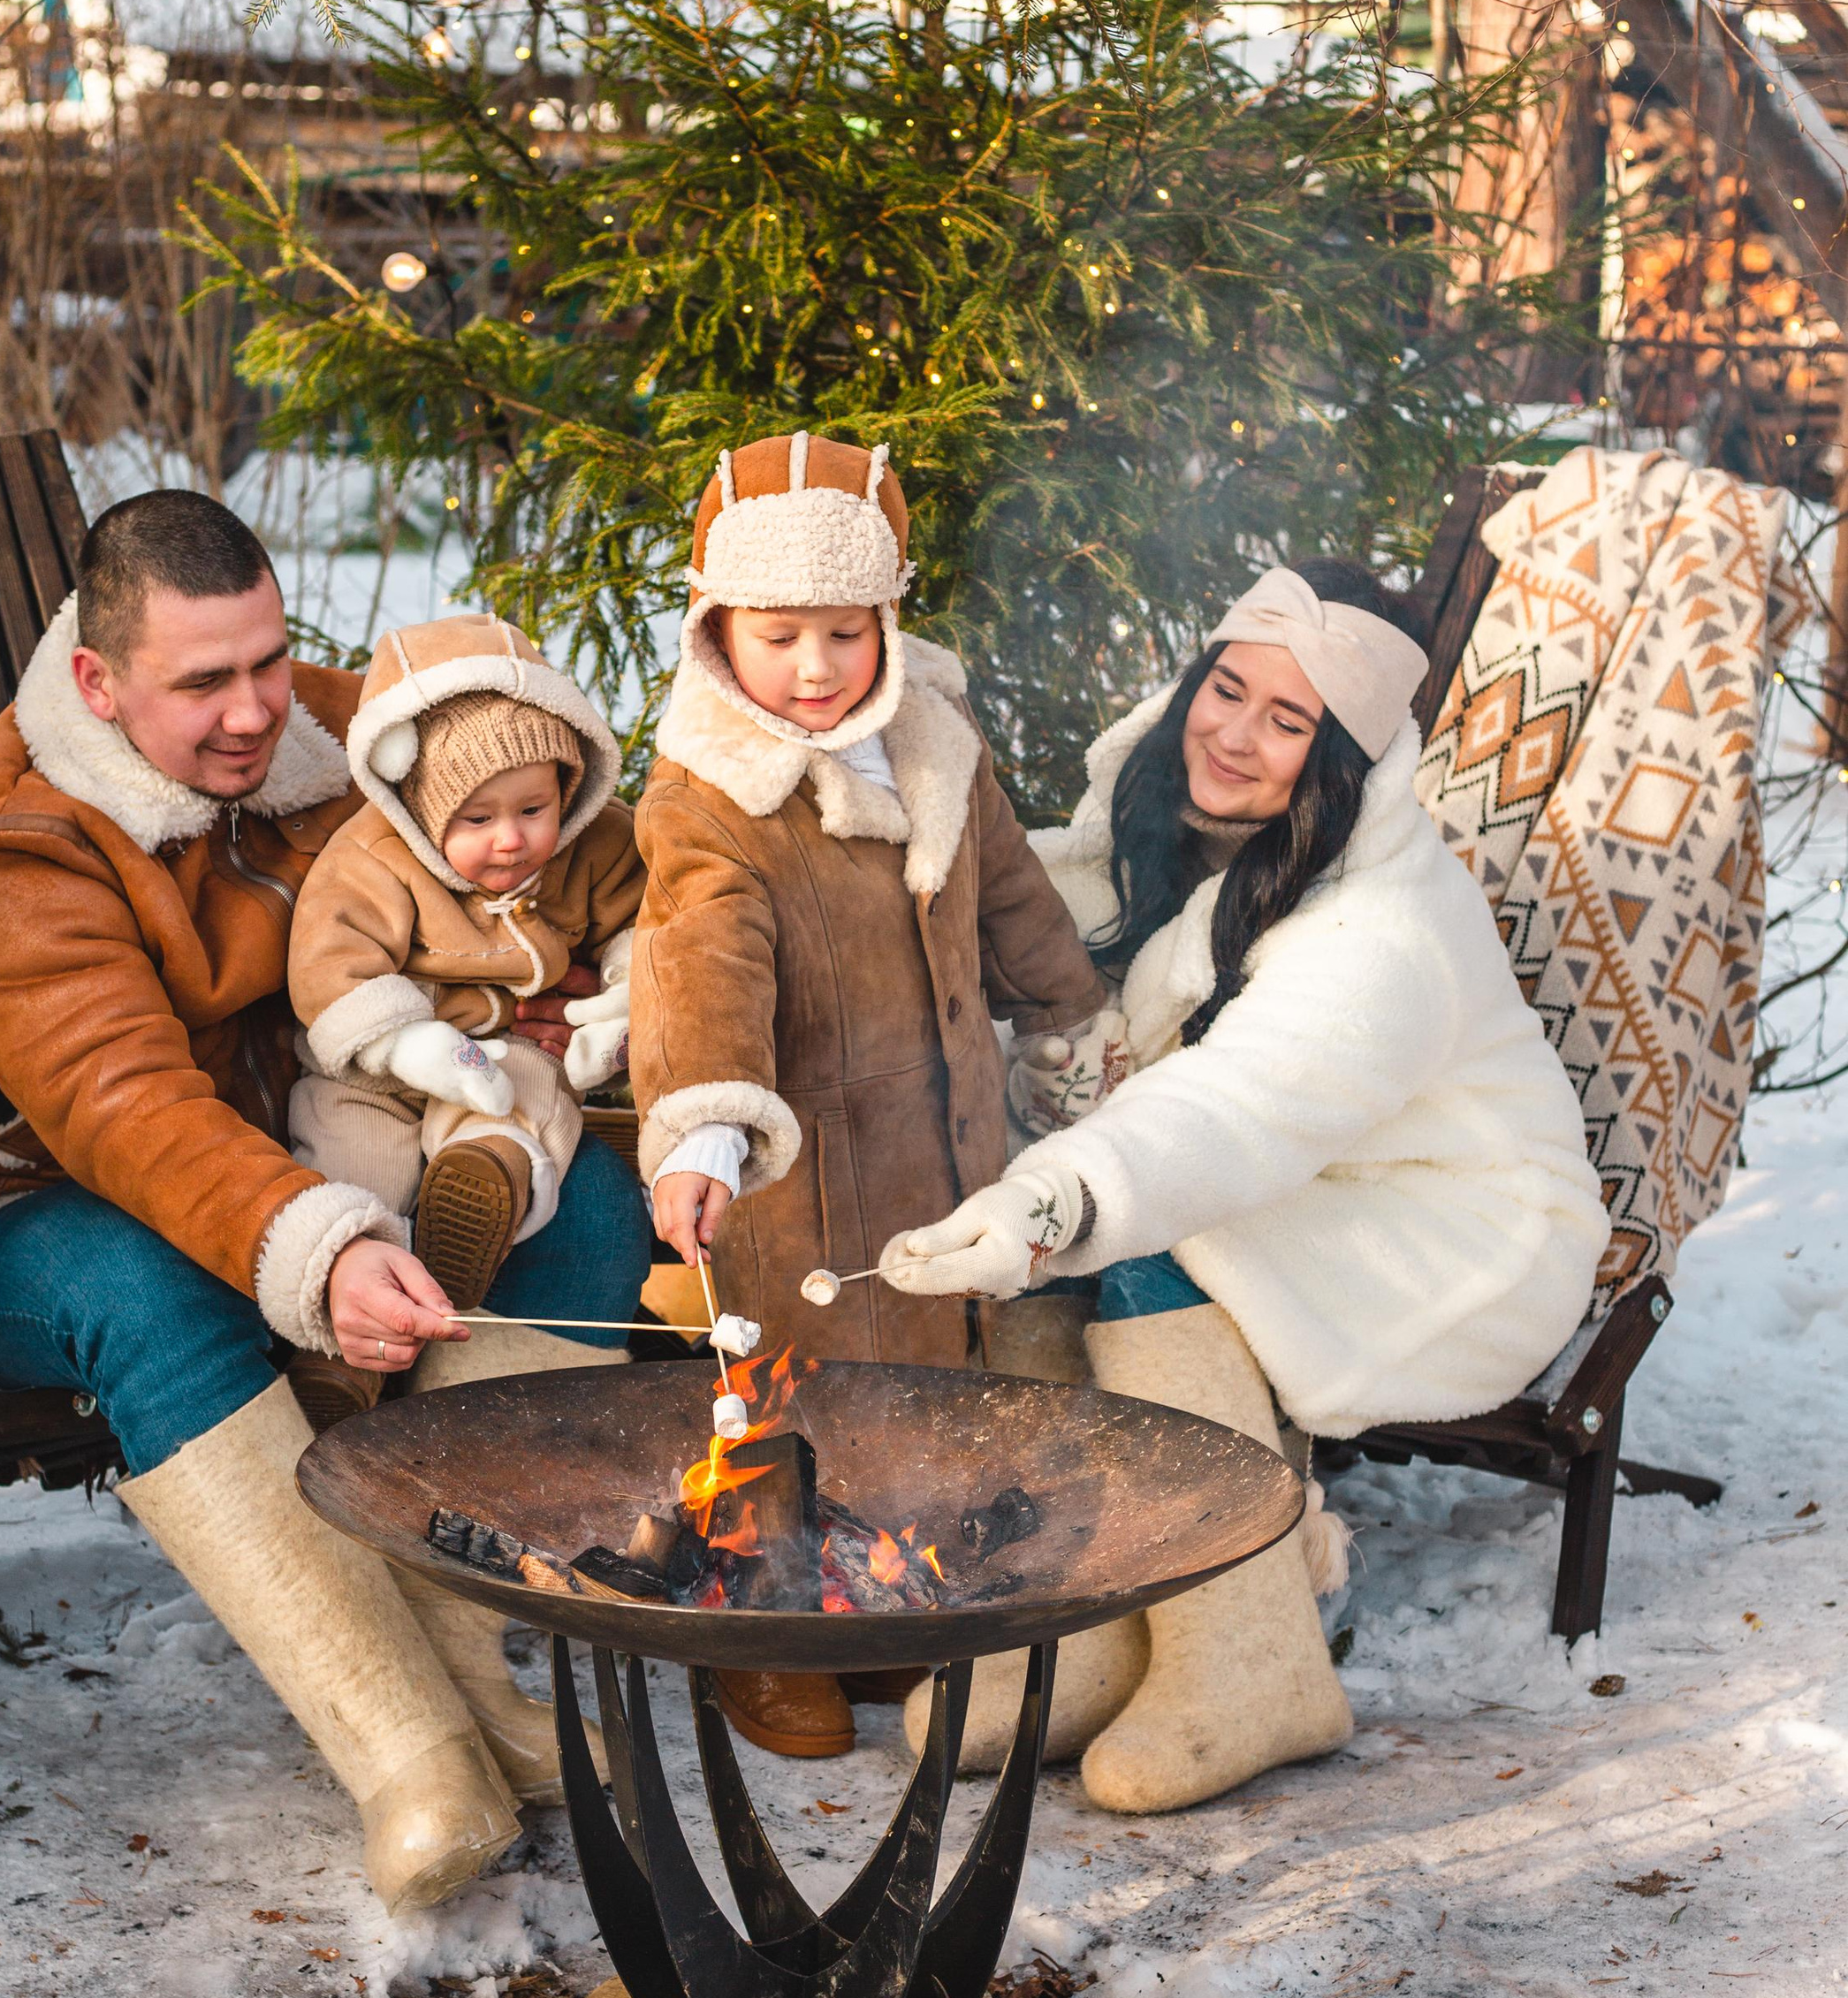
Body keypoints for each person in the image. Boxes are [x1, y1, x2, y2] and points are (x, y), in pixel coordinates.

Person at [0, 492, 650, 1911]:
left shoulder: (331, 735)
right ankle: (410, 1749)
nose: (257, 710)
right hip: (56, 1213)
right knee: (155, 1287)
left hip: (339, 1141)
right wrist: (314, 1245)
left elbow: (546, 815)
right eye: (204, 682)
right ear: (97, 682)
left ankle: (470, 1645)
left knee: (592, 1203)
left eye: (268, 657)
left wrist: (551, 997)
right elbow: (127, 1112)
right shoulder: (21, 852)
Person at [881, 558, 1608, 1814]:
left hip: (1459, 1221)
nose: (1237, 736)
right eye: (1229, 692)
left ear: (1342, 765)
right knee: (1072, 1264)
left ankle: (1252, 1656)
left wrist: (1048, 1197)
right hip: (1305, 1175)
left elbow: (1237, 1108)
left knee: (1160, 1252)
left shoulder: (1384, 929)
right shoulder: (1159, 835)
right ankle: (1092, 1622)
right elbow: (1043, 934)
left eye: (1291, 724)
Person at [628, 428, 1106, 1762]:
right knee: (786, 1412)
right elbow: (697, 959)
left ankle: (889, 1612)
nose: (818, 670)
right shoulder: (712, 794)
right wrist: (708, 1126)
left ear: (885, 616)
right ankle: (763, 1641)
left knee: (917, 1396)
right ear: (720, 628)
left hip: (941, 1143)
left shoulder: (932, 733)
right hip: (804, 1179)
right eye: (779, 637)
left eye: (845, 632)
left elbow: (1005, 887)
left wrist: (1069, 1012)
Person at [285, 616, 643, 1409]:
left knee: (526, 1101)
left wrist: (618, 1000)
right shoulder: (375, 857)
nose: (512, 841)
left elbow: (643, 927)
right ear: (422, 809)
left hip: (501, 1049)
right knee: (350, 1167)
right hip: (378, 1062)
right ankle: (340, 1358)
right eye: (477, 820)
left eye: (534, 809)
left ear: (568, 789)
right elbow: (328, 964)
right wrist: (405, 1041)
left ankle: (485, 1186)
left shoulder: (599, 845)